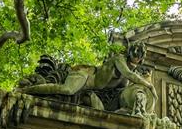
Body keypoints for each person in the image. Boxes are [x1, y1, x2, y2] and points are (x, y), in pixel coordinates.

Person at [18, 41, 157, 111]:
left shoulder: (130, 76)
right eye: (134, 50)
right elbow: (128, 74)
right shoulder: (119, 59)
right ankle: (26, 91)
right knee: (67, 90)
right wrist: (149, 85)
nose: (136, 53)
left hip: (93, 91)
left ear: (141, 58)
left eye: (139, 52)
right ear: (130, 51)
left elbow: (121, 92)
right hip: (85, 76)